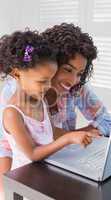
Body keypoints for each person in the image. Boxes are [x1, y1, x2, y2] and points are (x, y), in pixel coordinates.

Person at [0, 29, 97, 198]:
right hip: (26, 182)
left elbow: (50, 132)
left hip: (45, 172)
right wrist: (68, 139)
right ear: (17, 74)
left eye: (50, 79)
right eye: (42, 81)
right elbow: (32, 154)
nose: (48, 86)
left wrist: (82, 136)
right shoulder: (12, 114)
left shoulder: (40, 99)